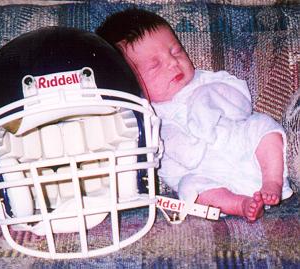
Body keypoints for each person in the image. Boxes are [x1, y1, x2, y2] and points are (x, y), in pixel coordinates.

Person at [96, 8, 293, 221]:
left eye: (176, 51)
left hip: (242, 148)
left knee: (264, 125)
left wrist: (206, 98)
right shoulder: (145, 116)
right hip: (209, 175)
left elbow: (242, 102)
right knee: (189, 188)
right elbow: (161, 164)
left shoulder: (204, 81)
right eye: (155, 65)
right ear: (130, 81)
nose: (173, 62)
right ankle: (240, 204)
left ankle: (272, 181)